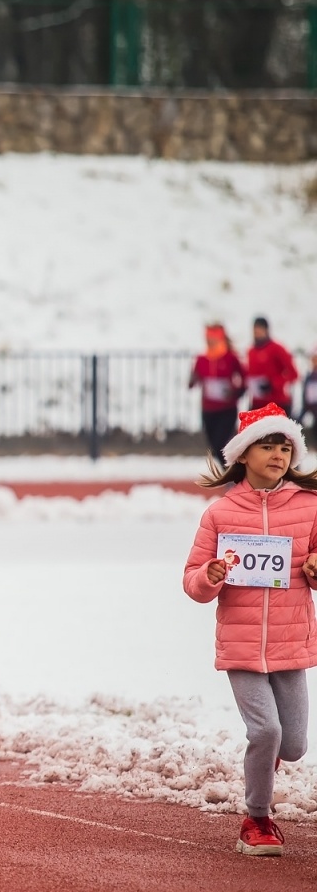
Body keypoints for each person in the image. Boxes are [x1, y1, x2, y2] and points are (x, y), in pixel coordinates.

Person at [183, 404, 314, 856]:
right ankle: (257, 819)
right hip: (240, 646)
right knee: (266, 732)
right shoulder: (220, 513)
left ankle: (266, 761)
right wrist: (209, 576)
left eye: (285, 448)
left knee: (293, 745)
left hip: (290, 644)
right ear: (243, 454)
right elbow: (192, 580)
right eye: (267, 446)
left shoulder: (310, 507)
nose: (278, 455)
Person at [190, 323, 246, 466]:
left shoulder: (230, 358)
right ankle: (232, 471)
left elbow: (244, 377)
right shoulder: (202, 359)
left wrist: (235, 392)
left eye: (213, 339)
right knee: (214, 446)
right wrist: (192, 380)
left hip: (226, 409)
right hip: (208, 409)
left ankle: (234, 472)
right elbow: (194, 378)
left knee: (222, 443)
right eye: (208, 339)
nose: (210, 342)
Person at [244, 316, 297, 414]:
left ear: (266, 330)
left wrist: (273, 384)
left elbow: (293, 374)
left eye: (259, 330)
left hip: (277, 403)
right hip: (257, 404)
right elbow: (249, 374)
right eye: (255, 331)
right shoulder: (251, 351)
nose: (256, 333)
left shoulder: (277, 348)